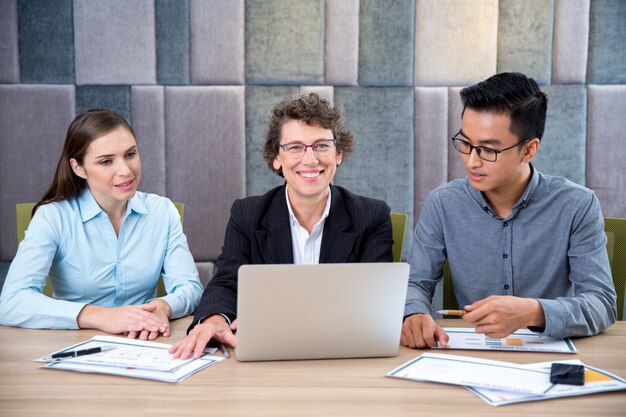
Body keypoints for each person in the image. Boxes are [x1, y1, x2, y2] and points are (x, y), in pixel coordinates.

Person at [170, 93, 393, 359]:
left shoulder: (372, 216)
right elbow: (227, 282)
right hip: (269, 356)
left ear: (338, 154)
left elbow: (374, 305)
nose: (310, 160)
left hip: (342, 355)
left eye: (322, 145)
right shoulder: (247, 215)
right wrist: (216, 318)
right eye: (296, 147)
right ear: (277, 157)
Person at [402, 72, 616, 348]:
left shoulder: (577, 205)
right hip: (472, 353)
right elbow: (415, 284)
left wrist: (534, 311)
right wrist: (414, 313)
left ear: (529, 150)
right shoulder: (442, 203)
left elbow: (601, 303)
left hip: (554, 357)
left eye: (488, 150)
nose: (471, 161)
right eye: (465, 144)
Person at [0, 109, 204, 339]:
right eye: (106, 161)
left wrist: (162, 307)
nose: (126, 171)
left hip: (144, 343)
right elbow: (12, 301)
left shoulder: (162, 212)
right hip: (71, 345)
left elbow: (191, 288)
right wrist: (100, 316)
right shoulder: (53, 217)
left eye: (130, 154)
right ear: (78, 168)